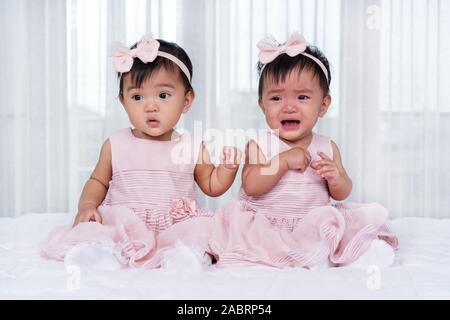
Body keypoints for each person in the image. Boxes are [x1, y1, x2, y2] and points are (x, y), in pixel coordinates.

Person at [41, 34, 242, 268]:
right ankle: (102, 254)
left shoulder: (192, 145)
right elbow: (97, 181)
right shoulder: (115, 144)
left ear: (186, 101)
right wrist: (87, 206)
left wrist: (227, 169)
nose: (150, 106)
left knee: (203, 230)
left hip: (174, 226)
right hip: (126, 223)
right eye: (137, 96)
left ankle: (184, 258)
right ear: (123, 101)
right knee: (97, 229)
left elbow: (211, 185)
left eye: (163, 95)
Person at [207, 33, 398, 269]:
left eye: (302, 97)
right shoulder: (260, 144)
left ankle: (360, 254)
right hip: (266, 225)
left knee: (342, 236)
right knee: (245, 247)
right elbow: (251, 186)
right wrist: (283, 161)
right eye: (276, 97)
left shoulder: (326, 146)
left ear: (323, 105)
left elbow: (342, 192)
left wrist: (335, 178)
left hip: (310, 224)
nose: (288, 106)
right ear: (262, 105)